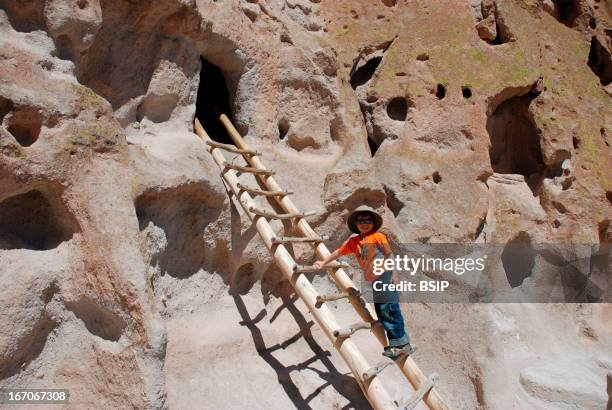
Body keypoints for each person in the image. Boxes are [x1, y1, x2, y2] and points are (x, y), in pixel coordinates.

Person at [314, 205, 415, 359]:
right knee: (383, 310)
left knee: (389, 308)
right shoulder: (354, 242)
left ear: (373, 223)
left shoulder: (378, 236)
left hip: (385, 276)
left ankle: (401, 346)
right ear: (356, 224)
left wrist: (395, 274)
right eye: (361, 220)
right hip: (375, 280)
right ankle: (400, 343)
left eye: (368, 220)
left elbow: (389, 255)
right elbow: (338, 252)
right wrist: (323, 262)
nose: (365, 223)